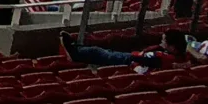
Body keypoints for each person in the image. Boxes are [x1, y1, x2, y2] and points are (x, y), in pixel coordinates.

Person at [60, 29, 188, 72]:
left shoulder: (166, 59)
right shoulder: (172, 55)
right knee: (101, 51)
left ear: (172, 46)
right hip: (131, 57)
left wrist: (133, 59)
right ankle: (76, 49)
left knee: (97, 52)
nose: (161, 43)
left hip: (128, 60)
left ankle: (74, 53)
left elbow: (146, 61)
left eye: (164, 41)